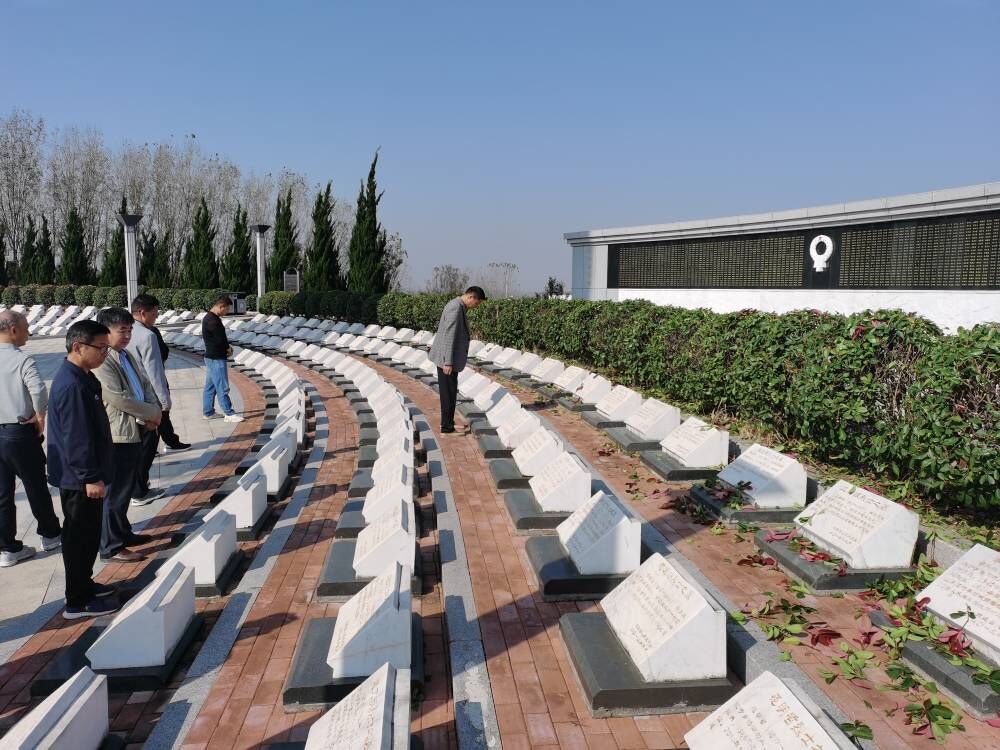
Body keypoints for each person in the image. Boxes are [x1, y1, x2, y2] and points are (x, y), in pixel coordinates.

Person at [47, 320, 121, 619]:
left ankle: (85, 584)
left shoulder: (82, 376)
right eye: (100, 348)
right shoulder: (72, 384)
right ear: (78, 347)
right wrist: (90, 477)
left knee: (88, 536)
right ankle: (77, 601)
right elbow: (76, 438)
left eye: (106, 348)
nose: (105, 353)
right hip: (78, 478)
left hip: (82, 474)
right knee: (79, 537)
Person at [93, 307, 162, 563]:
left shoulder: (125, 354)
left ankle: (123, 533)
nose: (127, 335)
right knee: (116, 491)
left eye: (130, 330)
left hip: (137, 426)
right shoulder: (103, 361)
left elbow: (144, 383)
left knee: (125, 487)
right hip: (118, 433)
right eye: (122, 330)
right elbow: (118, 398)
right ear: (105, 331)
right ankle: (111, 546)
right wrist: (152, 413)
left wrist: (154, 409)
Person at [0, 311, 62, 567]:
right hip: (18, 431)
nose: (29, 332)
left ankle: (8, 548)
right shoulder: (21, 359)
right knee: (35, 485)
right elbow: (38, 389)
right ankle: (50, 534)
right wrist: (39, 416)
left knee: (2, 493)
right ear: (13, 330)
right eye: (26, 327)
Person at [127, 294, 188, 506]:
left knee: (137, 446)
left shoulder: (125, 331)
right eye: (154, 313)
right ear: (143, 313)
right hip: (147, 398)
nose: (156, 317)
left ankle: (138, 485)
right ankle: (139, 490)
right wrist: (164, 402)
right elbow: (154, 372)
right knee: (148, 445)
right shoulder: (146, 335)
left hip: (131, 398)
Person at [427, 286, 486, 433]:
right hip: (447, 360)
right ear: (471, 297)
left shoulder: (458, 306)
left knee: (451, 391)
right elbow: (449, 336)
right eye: (477, 303)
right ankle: (447, 428)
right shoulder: (456, 308)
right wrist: (448, 362)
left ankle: (449, 423)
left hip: (449, 358)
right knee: (448, 393)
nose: (477, 306)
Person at [201, 295, 243, 423]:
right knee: (222, 386)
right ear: (221, 306)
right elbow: (220, 339)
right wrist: (228, 348)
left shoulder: (209, 318)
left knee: (211, 387)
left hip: (211, 357)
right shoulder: (213, 320)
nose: (227, 312)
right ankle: (229, 413)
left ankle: (208, 412)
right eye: (227, 309)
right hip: (216, 358)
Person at [150, 322, 188, 449]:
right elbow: (164, 352)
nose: (156, 316)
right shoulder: (150, 332)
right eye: (154, 313)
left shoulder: (137, 331)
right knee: (163, 412)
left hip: (142, 381)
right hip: (155, 378)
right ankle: (170, 441)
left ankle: (152, 446)